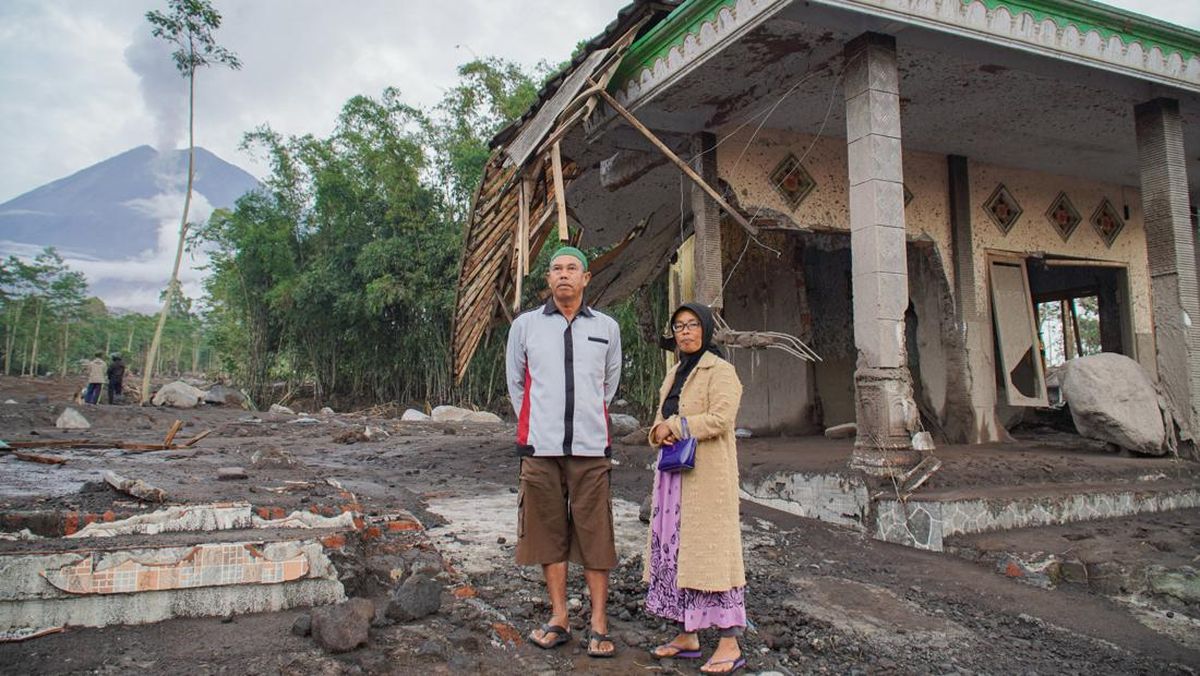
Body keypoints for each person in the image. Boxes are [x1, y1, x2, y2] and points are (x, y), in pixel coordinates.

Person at [505, 245, 622, 658]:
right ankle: (559, 617)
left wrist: (587, 417)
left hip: (591, 448)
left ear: (586, 278)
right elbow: (516, 383)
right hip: (541, 449)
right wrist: (539, 424)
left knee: (596, 534)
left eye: (572, 268)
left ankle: (599, 623)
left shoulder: (607, 327)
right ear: (548, 279)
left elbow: (608, 384)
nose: (564, 274)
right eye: (557, 268)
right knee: (547, 533)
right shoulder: (526, 326)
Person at [645, 302, 747, 675]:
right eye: (679, 326)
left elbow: (720, 418)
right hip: (673, 477)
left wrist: (676, 426)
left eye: (692, 325)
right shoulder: (675, 372)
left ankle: (729, 644)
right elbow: (661, 417)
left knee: (713, 555)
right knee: (676, 553)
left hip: (707, 479)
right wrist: (658, 431)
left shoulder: (720, 371)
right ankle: (687, 634)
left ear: (705, 329)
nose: (685, 332)